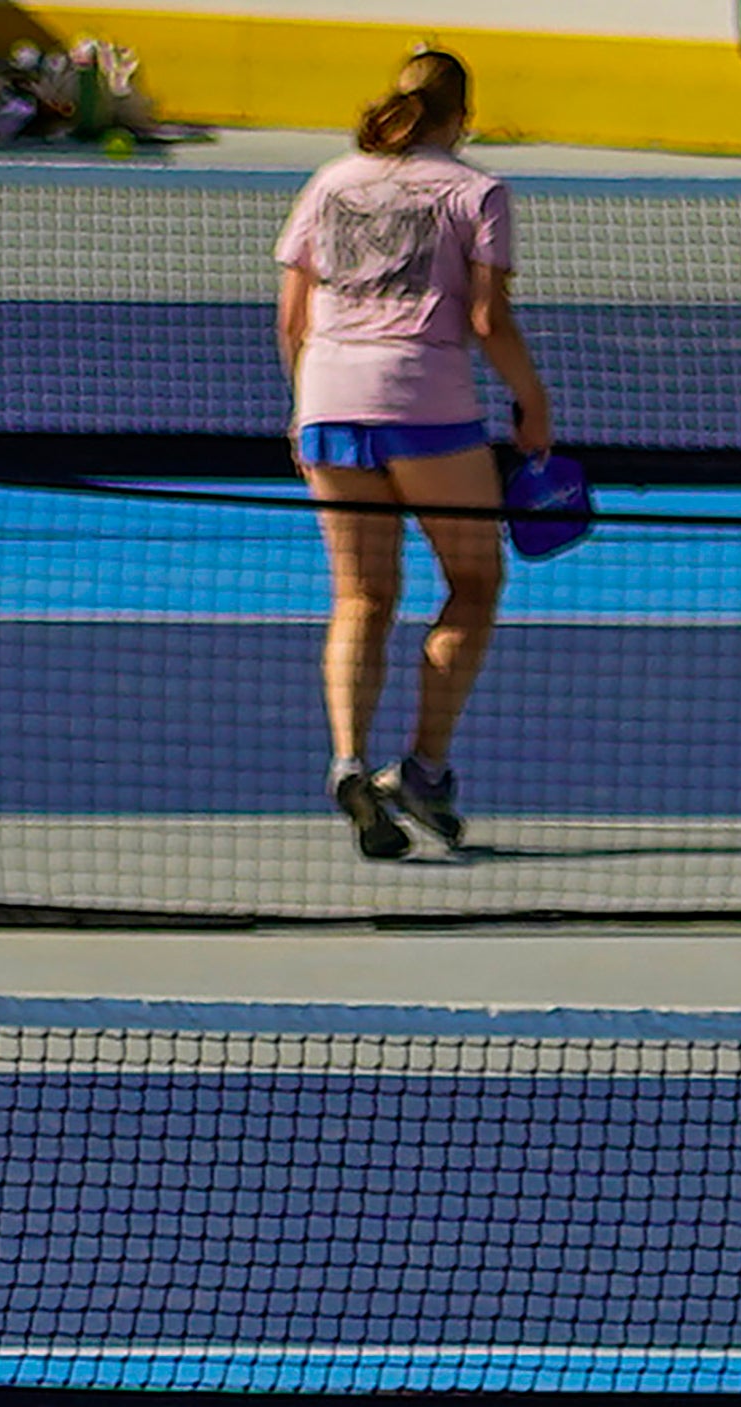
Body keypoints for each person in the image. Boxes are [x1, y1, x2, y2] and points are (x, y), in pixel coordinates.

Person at [277, 51, 556, 859]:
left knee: (361, 596)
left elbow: (292, 316)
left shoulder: (331, 181)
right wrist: (532, 402)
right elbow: (485, 320)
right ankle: (426, 769)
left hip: (327, 402)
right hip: (424, 406)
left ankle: (349, 759)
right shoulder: (475, 190)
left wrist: (305, 409)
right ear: (462, 113)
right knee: (473, 583)